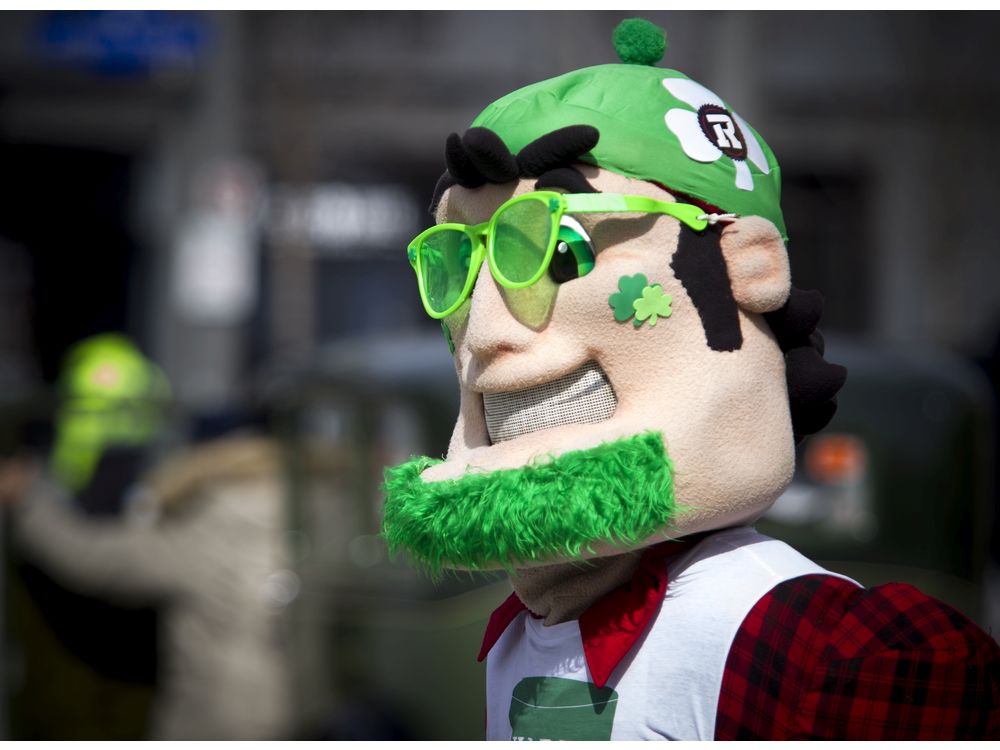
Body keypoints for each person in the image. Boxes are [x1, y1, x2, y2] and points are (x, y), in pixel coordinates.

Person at [382, 18, 1000, 740]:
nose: (484, 332)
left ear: (750, 268)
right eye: (460, 262)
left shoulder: (836, 656)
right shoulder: (518, 633)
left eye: (562, 249)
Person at [1, 336, 295, 740]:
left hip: (216, 727)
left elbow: (91, 559)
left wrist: (27, 500)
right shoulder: (321, 507)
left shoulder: (215, 522)